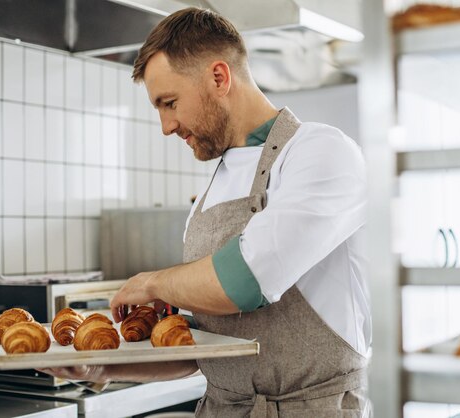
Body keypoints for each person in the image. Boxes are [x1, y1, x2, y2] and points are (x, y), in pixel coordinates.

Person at [44, 7, 370, 417]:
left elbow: (248, 279)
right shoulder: (209, 191)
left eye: (170, 102)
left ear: (219, 77)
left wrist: (152, 283)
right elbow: (203, 343)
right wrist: (101, 365)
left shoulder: (321, 152)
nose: (166, 126)